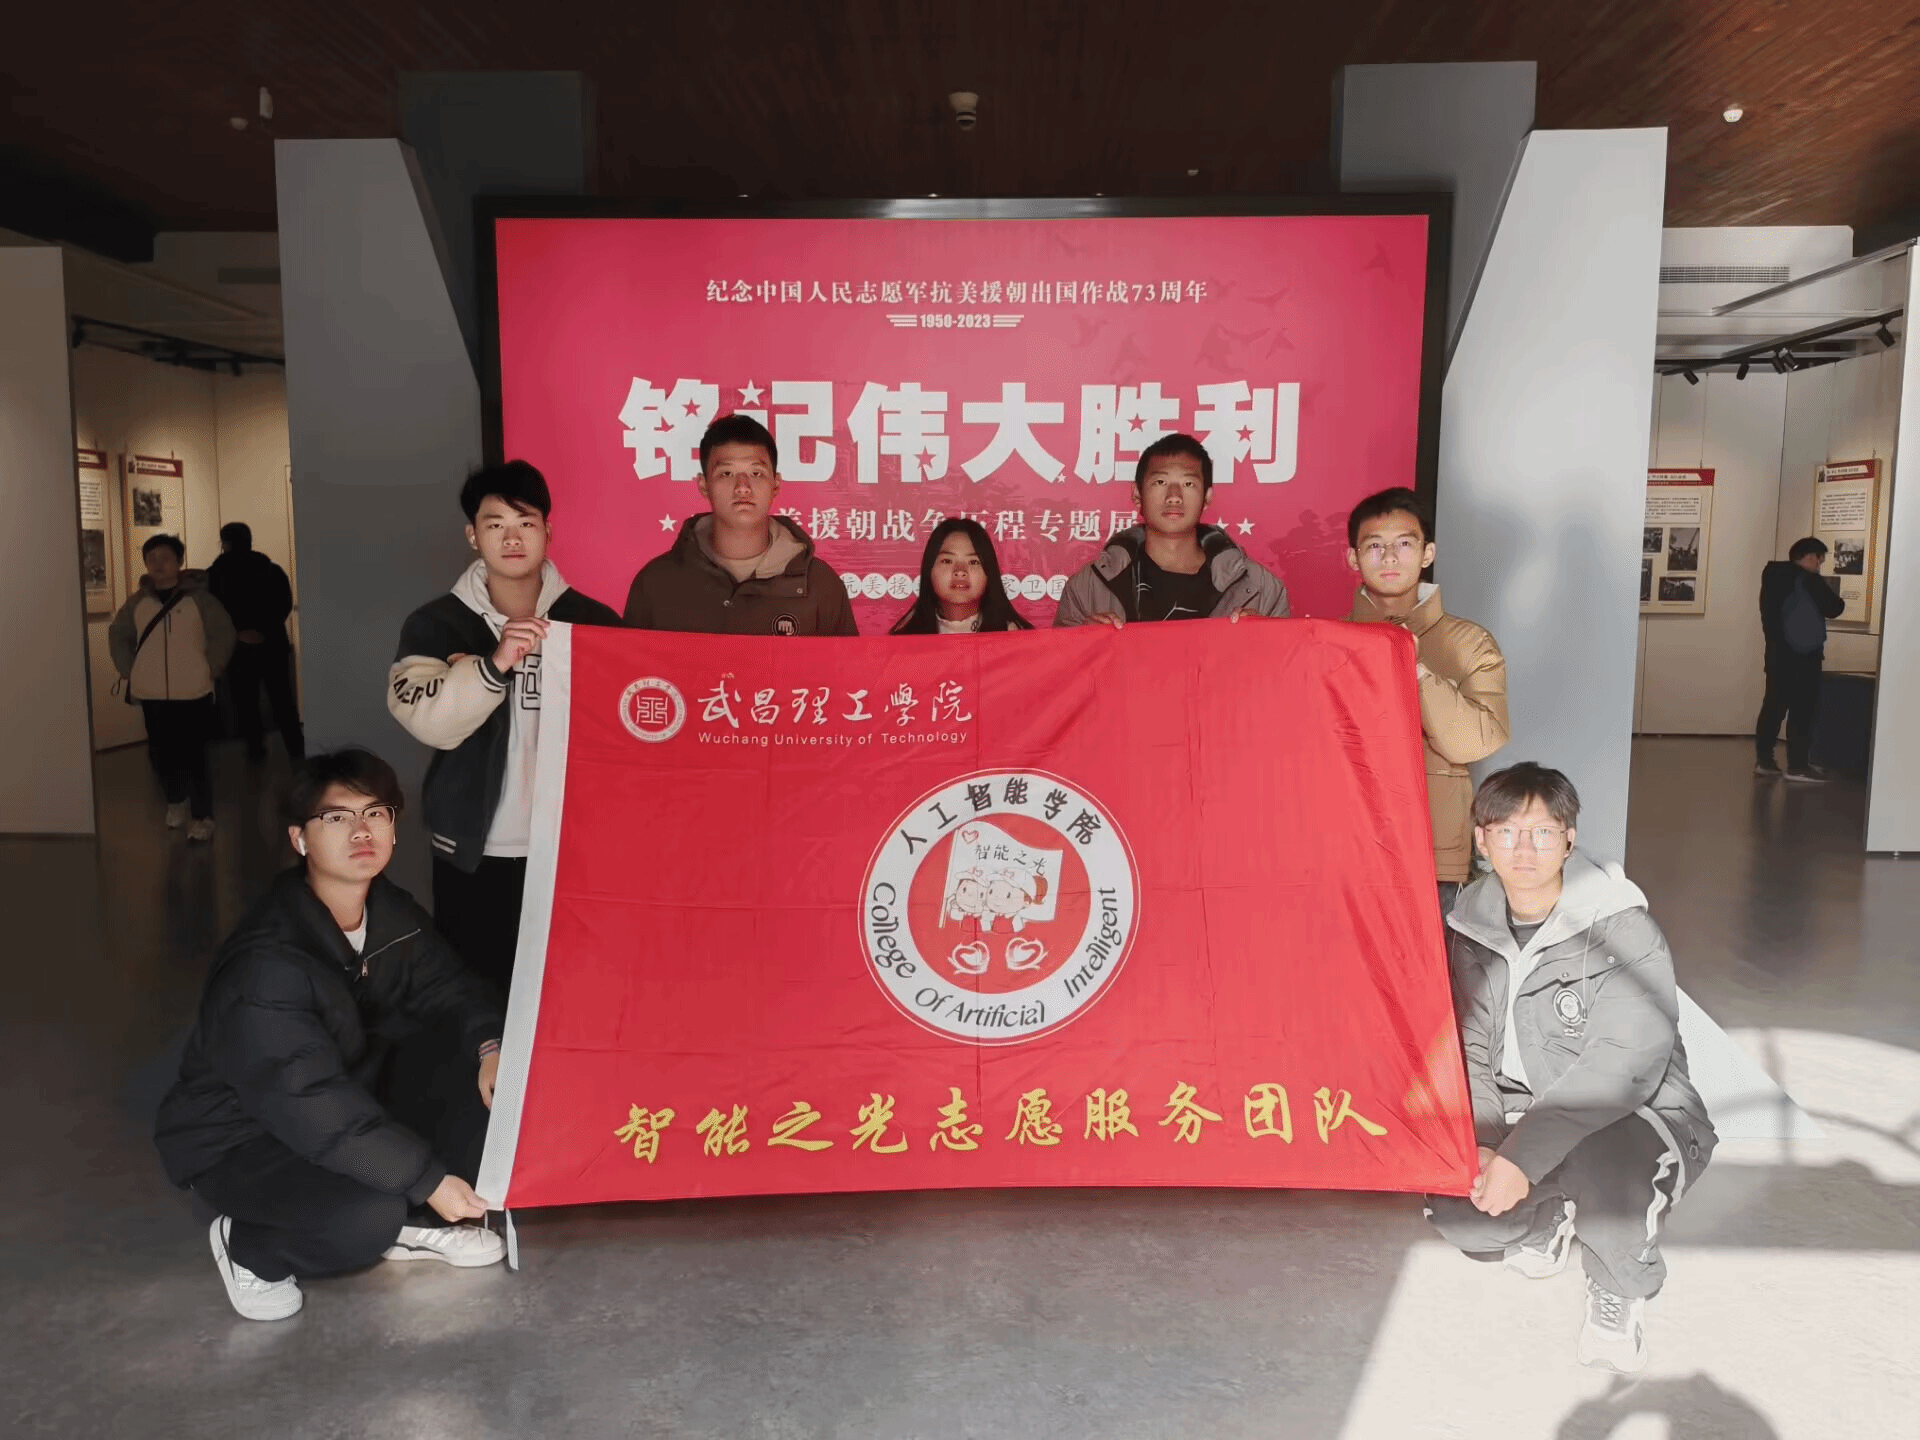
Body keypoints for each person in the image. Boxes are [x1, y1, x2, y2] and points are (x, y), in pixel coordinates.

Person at [153, 749, 507, 1322]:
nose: (361, 831)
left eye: (376, 813)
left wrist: (490, 1049)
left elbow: (453, 989)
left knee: (483, 1088)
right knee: (364, 1217)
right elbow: (308, 1102)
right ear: (300, 839)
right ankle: (248, 1246)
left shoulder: (389, 912)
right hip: (242, 1140)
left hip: (345, 1101)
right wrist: (426, 1179)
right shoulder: (267, 962)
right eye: (337, 817)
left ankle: (407, 1224)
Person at [1424, 763, 1716, 1375]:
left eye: (1542, 833)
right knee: (1461, 1211)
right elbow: (1467, 1049)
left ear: (1570, 839)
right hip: (1523, 1109)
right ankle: (1547, 1220)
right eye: (1506, 832)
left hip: (1634, 1114)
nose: (1523, 850)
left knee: (1608, 1173)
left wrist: (1521, 1157)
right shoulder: (1467, 925)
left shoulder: (1622, 928)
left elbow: (1620, 1068)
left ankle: (1618, 1288)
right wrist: (1483, 1143)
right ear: (1481, 841)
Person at [387, 460, 622, 989]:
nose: (511, 538)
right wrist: (493, 667)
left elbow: (626, 733)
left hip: (572, 849)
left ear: (548, 532)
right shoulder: (435, 624)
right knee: (477, 991)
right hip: (474, 849)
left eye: (525, 523)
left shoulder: (595, 622)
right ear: (472, 535)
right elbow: (431, 724)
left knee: (570, 989)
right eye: (495, 524)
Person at [1341, 488, 1508, 908]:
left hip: (1434, 852)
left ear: (1427, 553)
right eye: (1374, 546)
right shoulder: (1330, 643)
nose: (1389, 557)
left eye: (1404, 544)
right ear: (1352, 559)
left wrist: (1413, 666)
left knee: (1439, 953)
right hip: (1346, 842)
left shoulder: (1471, 643)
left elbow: (1474, 743)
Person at [624, 413, 859, 635]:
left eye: (756, 473)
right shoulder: (655, 584)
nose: (742, 487)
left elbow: (849, 665)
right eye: (726, 474)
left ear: (776, 484)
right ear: (704, 485)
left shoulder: (820, 585)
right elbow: (628, 665)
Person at [1053, 433, 1290, 626]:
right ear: (1137, 494)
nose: (1174, 496)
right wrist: (1083, 643)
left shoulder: (1260, 588)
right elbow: (1060, 667)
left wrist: (1265, 640)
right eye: (1160, 482)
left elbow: (1287, 666)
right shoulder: (1088, 587)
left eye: (1188, 483)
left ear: (1207, 497)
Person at [108, 534, 236, 842]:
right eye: (151, 559)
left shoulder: (200, 600)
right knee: (160, 755)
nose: (158, 564)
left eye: (165, 558)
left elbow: (223, 633)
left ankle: (202, 815)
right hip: (151, 693)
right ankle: (175, 801)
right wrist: (129, 669)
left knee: (195, 756)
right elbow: (118, 633)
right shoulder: (138, 602)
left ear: (179, 561)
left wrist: (212, 667)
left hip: (193, 691)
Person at [207, 521, 305, 764]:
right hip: (273, 643)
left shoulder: (216, 573)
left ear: (224, 543)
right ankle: (296, 749)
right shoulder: (271, 568)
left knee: (246, 702)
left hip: (237, 647)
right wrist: (263, 630)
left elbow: (214, 611)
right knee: (282, 699)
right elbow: (284, 603)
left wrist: (239, 632)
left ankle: (255, 750)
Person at [1756, 537, 1846, 782]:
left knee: (1773, 707)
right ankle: (1798, 765)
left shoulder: (1772, 576)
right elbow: (1834, 607)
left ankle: (1764, 761)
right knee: (1803, 709)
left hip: (1777, 654)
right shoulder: (1808, 579)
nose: (1820, 565)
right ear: (1809, 557)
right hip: (1804, 657)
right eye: (1819, 559)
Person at [890, 517, 1036, 634]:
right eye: (947, 561)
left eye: (973, 562)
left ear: (989, 574)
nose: (960, 571)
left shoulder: (1016, 638)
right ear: (929, 570)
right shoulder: (904, 641)